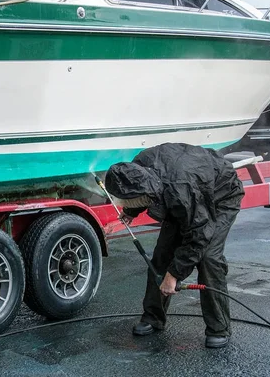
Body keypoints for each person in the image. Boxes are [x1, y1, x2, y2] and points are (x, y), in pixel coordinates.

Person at [104, 142, 245, 348]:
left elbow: (199, 234)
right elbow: (142, 188)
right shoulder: (138, 168)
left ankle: (218, 327)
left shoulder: (179, 190)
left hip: (220, 196)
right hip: (190, 193)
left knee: (208, 258)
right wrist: (131, 212)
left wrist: (174, 276)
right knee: (162, 256)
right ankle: (153, 317)